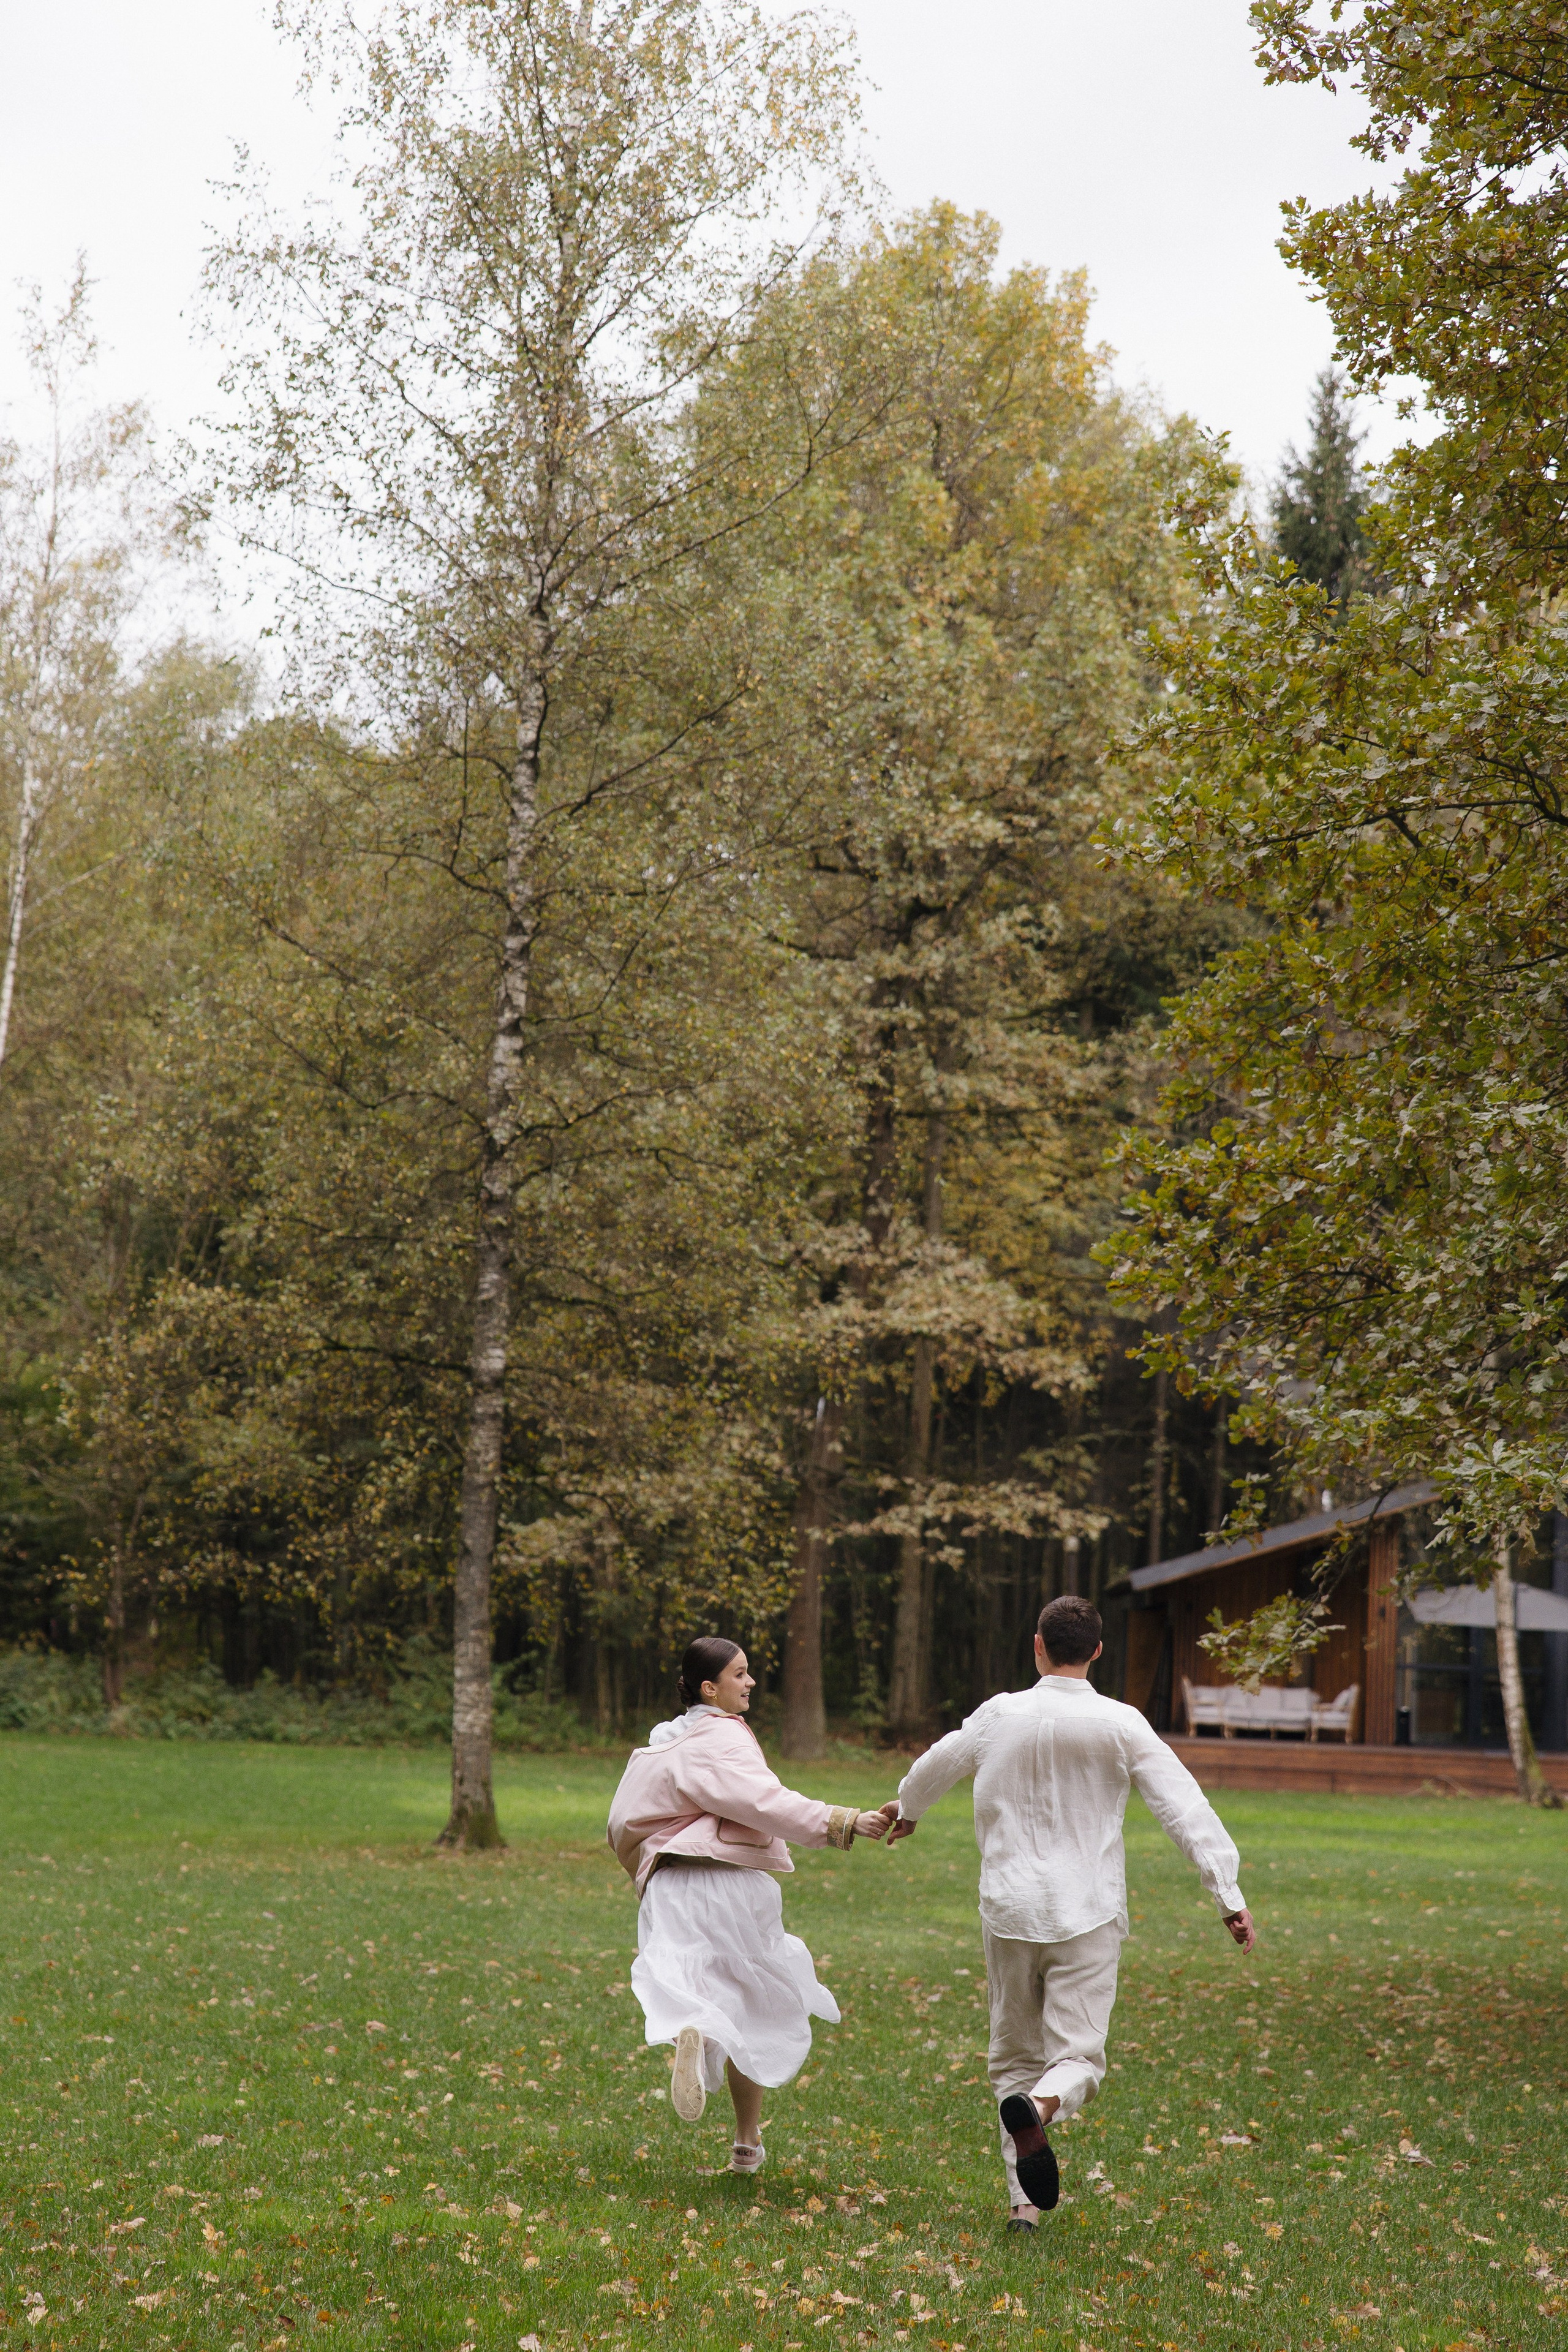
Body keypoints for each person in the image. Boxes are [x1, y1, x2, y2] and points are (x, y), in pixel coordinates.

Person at [881, 1594, 1254, 2233]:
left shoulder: (1000, 1714)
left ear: (1037, 1644)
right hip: (1088, 1909)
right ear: (1098, 1651)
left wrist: (908, 1809)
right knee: (1078, 2057)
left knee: (1011, 2057)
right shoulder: (1120, 1723)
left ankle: (1022, 2205)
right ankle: (1045, 2104)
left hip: (1007, 1908)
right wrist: (1227, 1893)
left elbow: (935, 1763)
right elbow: (1184, 1808)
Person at [608, 1635, 888, 2176]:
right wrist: (844, 1821)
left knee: (695, 1985)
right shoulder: (723, 1736)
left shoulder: (663, 1743)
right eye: (740, 1674)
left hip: (671, 1888)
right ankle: (745, 2139)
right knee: (756, 2006)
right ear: (711, 1689)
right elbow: (765, 1802)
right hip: (731, 1884)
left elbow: (623, 1822)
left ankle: (696, 2033)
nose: (751, 1682)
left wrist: (651, 1858)